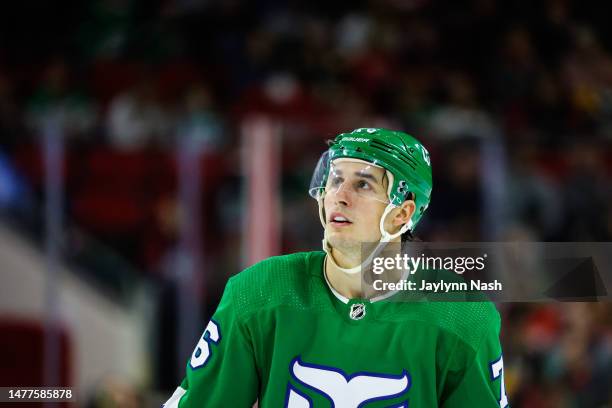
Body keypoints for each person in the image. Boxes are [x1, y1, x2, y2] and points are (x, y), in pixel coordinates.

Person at [164, 128, 507, 407]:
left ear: (403, 213)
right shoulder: (259, 290)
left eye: (363, 184)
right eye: (334, 180)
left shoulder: (463, 315)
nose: (338, 196)